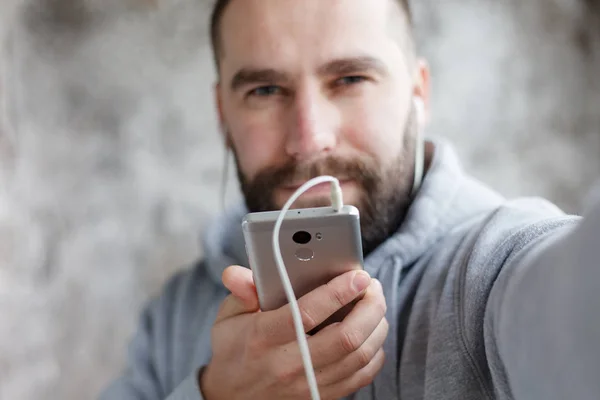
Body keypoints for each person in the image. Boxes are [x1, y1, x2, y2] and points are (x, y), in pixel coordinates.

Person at [100, 0, 600, 399]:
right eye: (265, 90)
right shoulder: (176, 313)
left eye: (350, 79)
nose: (309, 139)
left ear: (418, 93)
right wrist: (215, 395)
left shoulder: (492, 268)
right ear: (221, 113)